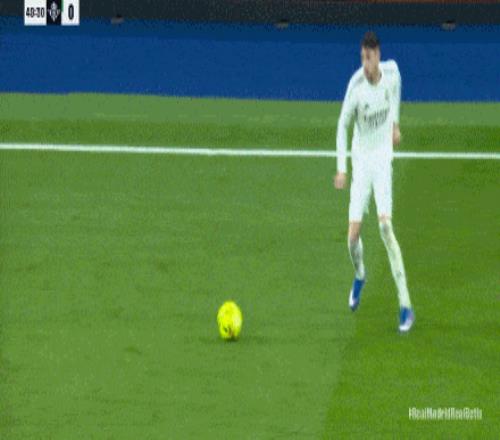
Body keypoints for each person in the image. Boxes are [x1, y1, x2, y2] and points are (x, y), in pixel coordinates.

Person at [334, 31, 415, 332]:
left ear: (378, 56)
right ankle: (360, 275)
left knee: (385, 227)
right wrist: (342, 169)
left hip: (382, 159)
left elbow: (397, 88)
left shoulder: (391, 72)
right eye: (362, 58)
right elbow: (342, 126)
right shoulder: (355, 87)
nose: (365, 64)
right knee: (352, 238)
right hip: (361, 162)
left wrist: (395, 124)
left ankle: (405, 305)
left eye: (369, 58)